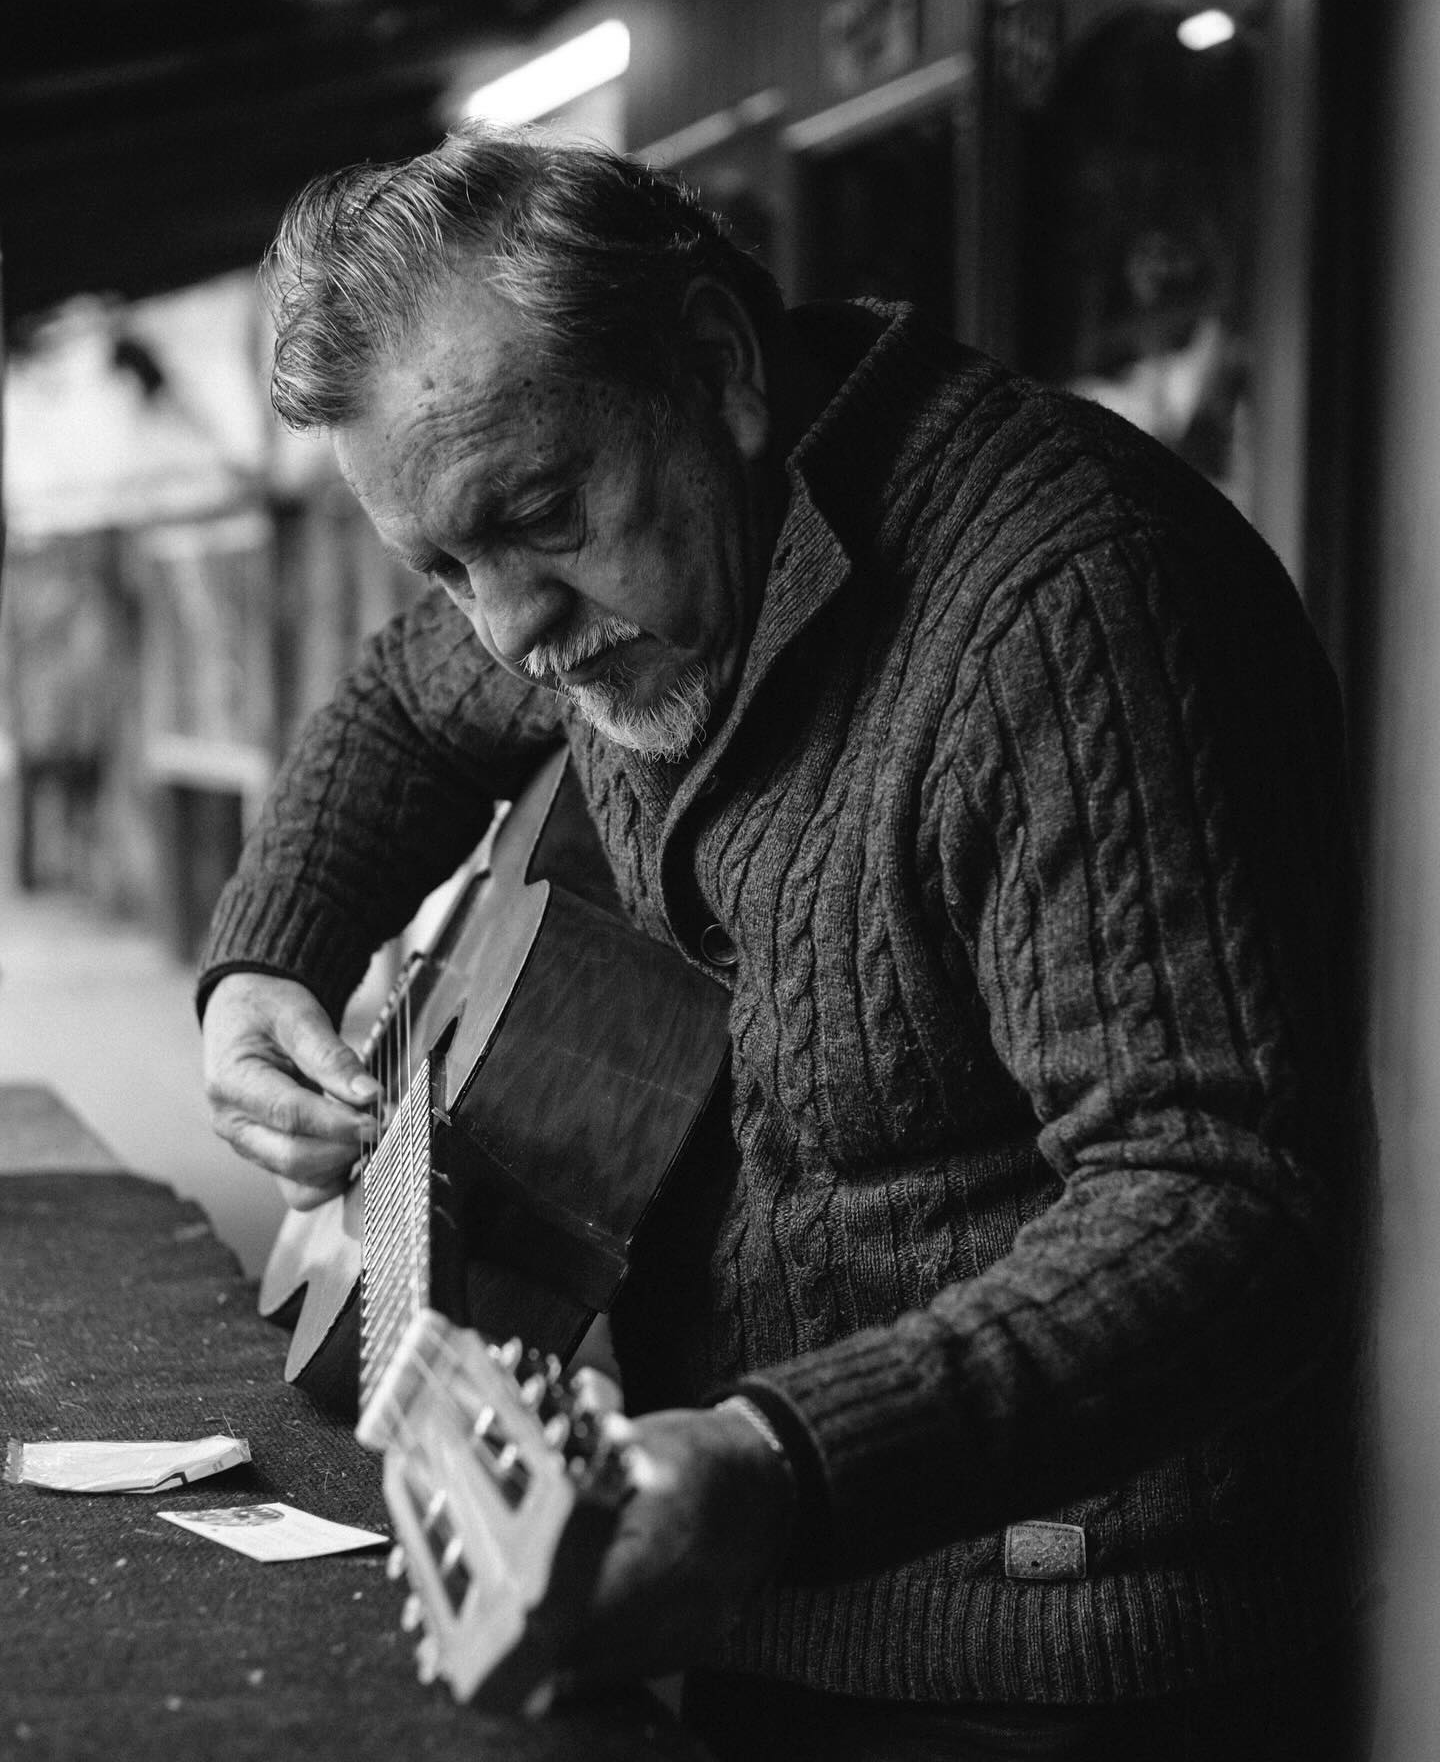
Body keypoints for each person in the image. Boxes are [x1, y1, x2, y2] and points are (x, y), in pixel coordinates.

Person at [199, 122, 1374, 1760]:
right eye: (445, 565)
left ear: (719, 366)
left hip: (1070, 1664)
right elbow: (407, 701)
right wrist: (265, 959)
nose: (513, 632)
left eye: (540, 516)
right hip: (747, 1582)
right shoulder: (620, 570)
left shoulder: (1074, 606)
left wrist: (781, 1459)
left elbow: (1228, 1203)